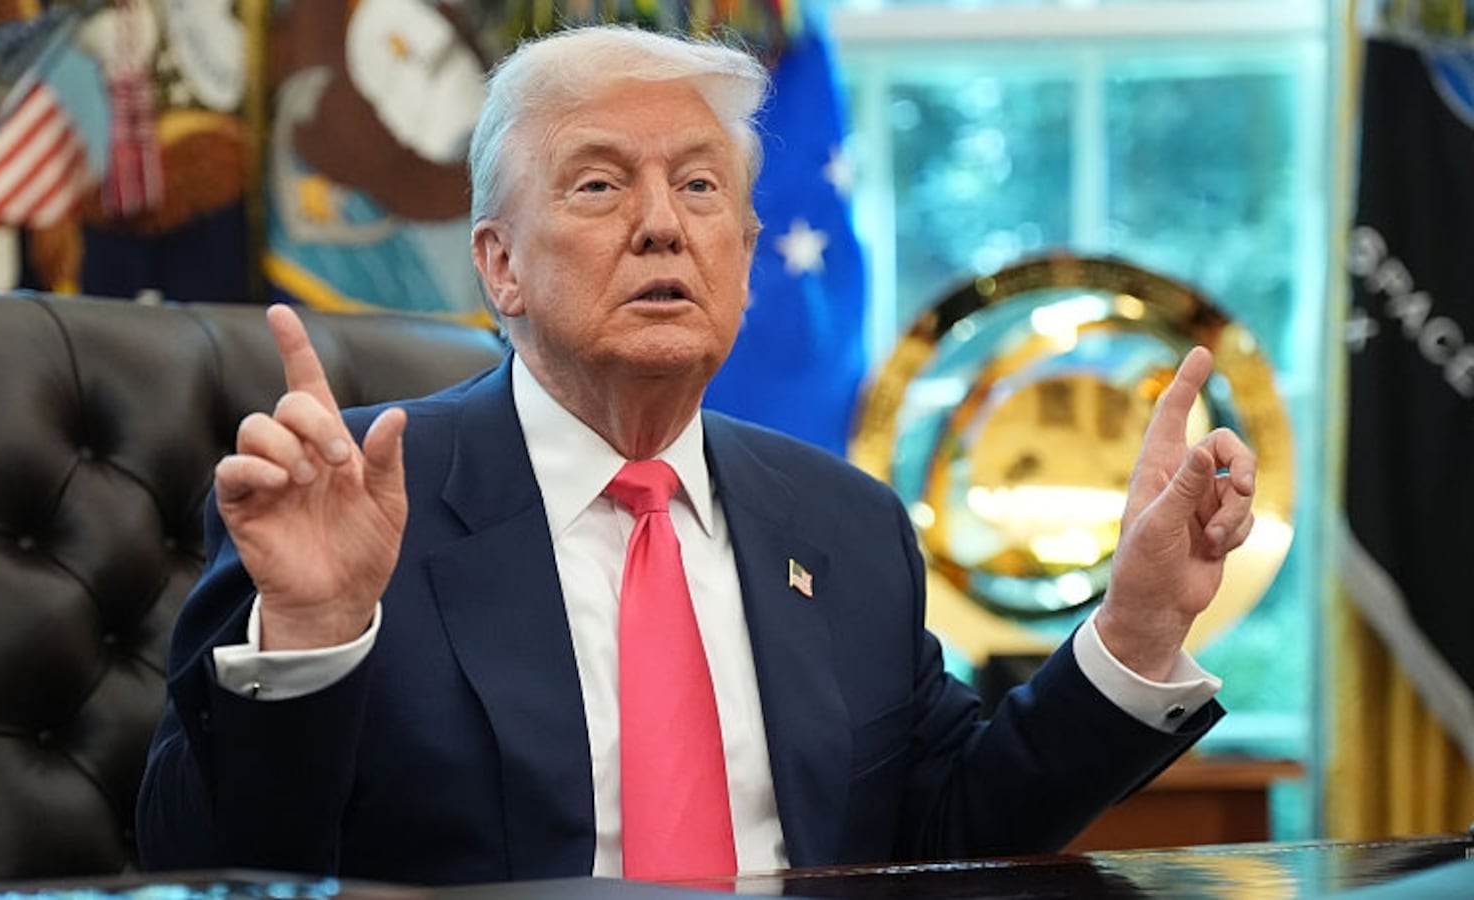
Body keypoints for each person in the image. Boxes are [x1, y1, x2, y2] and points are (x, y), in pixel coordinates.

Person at [135, 24, 1257, 888]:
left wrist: (1138, 627)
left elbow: (953, 837)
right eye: (598, 183)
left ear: (744, 254)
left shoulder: (846, 526)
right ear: (500, 266)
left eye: (701, 186)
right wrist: (315, 641)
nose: (663, 225)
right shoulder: (358, 504)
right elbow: (202, 865)